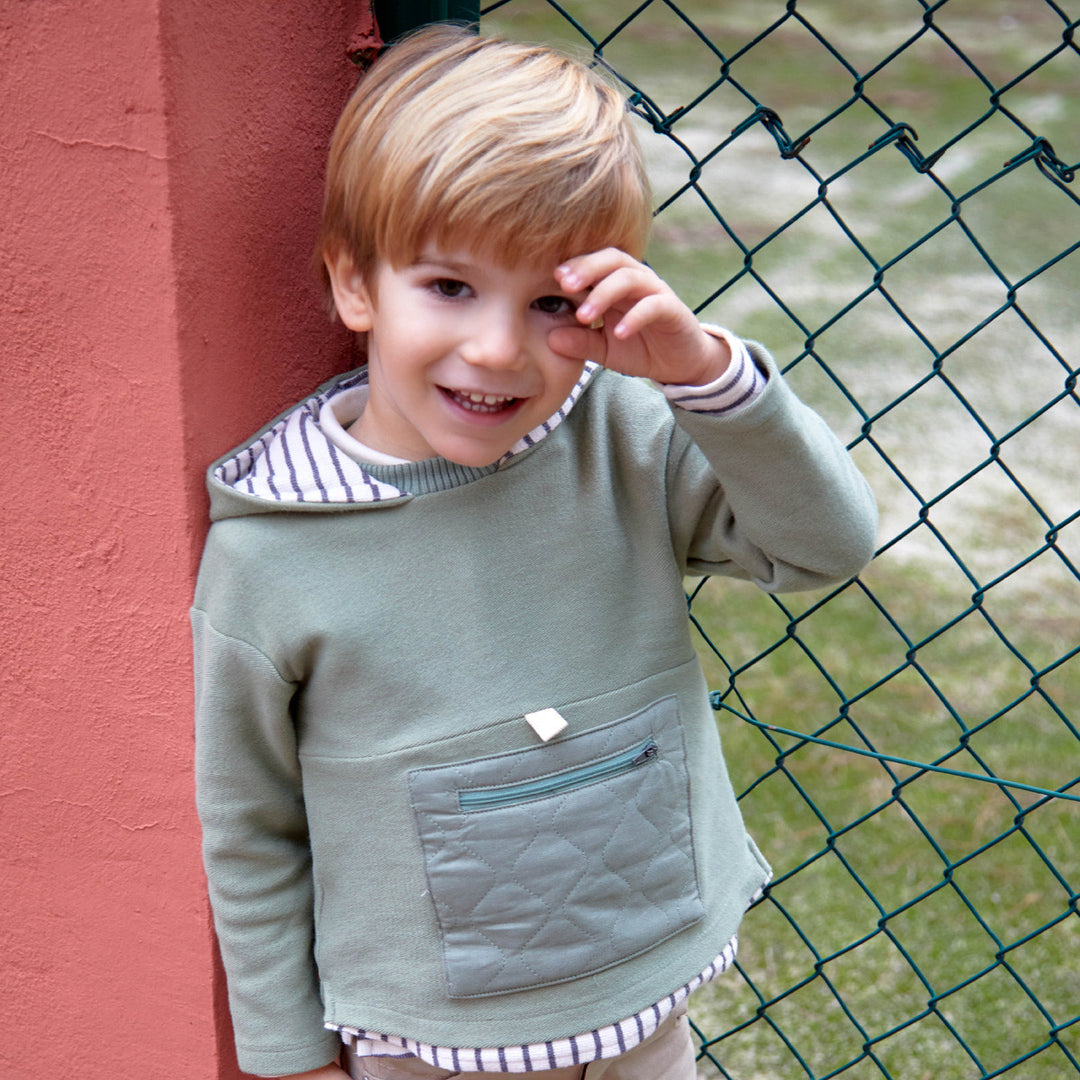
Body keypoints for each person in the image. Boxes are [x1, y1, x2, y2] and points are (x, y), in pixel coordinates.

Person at [192, 23, 877, 1080]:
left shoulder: (625, 437)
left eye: (551, 302)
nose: (498, 349)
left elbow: (827, 545)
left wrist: (703, 374)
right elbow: (252, 825)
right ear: (356, 284)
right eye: (450, 287)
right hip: (430, 1048)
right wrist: (292, 1058)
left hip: (644, 1005)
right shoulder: (275, 552)